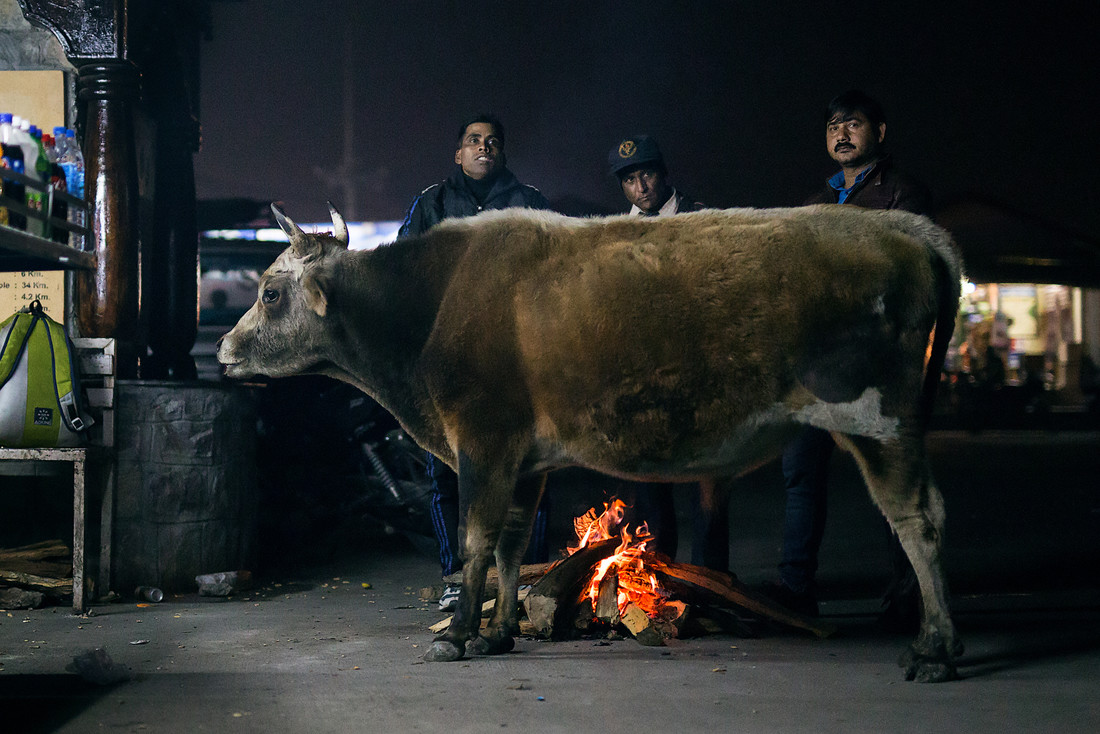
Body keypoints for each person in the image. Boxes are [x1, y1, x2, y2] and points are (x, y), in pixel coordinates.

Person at [767, 90, 932, 620]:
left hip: (873, 366)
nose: (842, 133)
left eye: (853, 124)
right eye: (834, 125)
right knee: (800, 475)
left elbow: (911, 272)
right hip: (814, 366)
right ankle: (796, 589)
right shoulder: (815, 202)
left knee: (891, 477)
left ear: (878, 132)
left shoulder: (902, 193)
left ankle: (910, 593)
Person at [397, 113, 552, 611]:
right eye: (473, 140)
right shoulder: (432, 203)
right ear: (458, 154)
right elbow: (404, 268)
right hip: (450, 363)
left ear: (502, 153)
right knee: (447, 471)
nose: (483, 147)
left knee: (528, 469)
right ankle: (454, 576)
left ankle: (526, 577)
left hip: (517, 362)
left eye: (492, 142)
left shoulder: (529, 202)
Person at [605, 135, 704, 561]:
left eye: (646, 174)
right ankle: (660, 575)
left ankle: (711, 578)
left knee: (707, 476)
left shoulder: (703, 219)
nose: (641, 187)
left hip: (698, 364)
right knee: (648, 478)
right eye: (630, 179)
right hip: (642, 371)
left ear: (662, 173)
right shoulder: (614, 232)